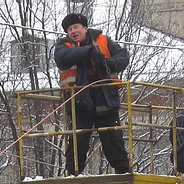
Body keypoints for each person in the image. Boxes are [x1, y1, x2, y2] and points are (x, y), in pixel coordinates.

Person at [54, 12, 131, 175]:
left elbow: (123, 57)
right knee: (78, 139)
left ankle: (123, 171)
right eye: (69, 29)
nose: (73, 31)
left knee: (113, 137)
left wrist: (107, 63)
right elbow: (62, 57)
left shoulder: (104, 40)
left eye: (76, 27)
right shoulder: (64, 46)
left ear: (85, 28)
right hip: (80, 102)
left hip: (105, 98)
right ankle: (73, 173)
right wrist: (89, 53)